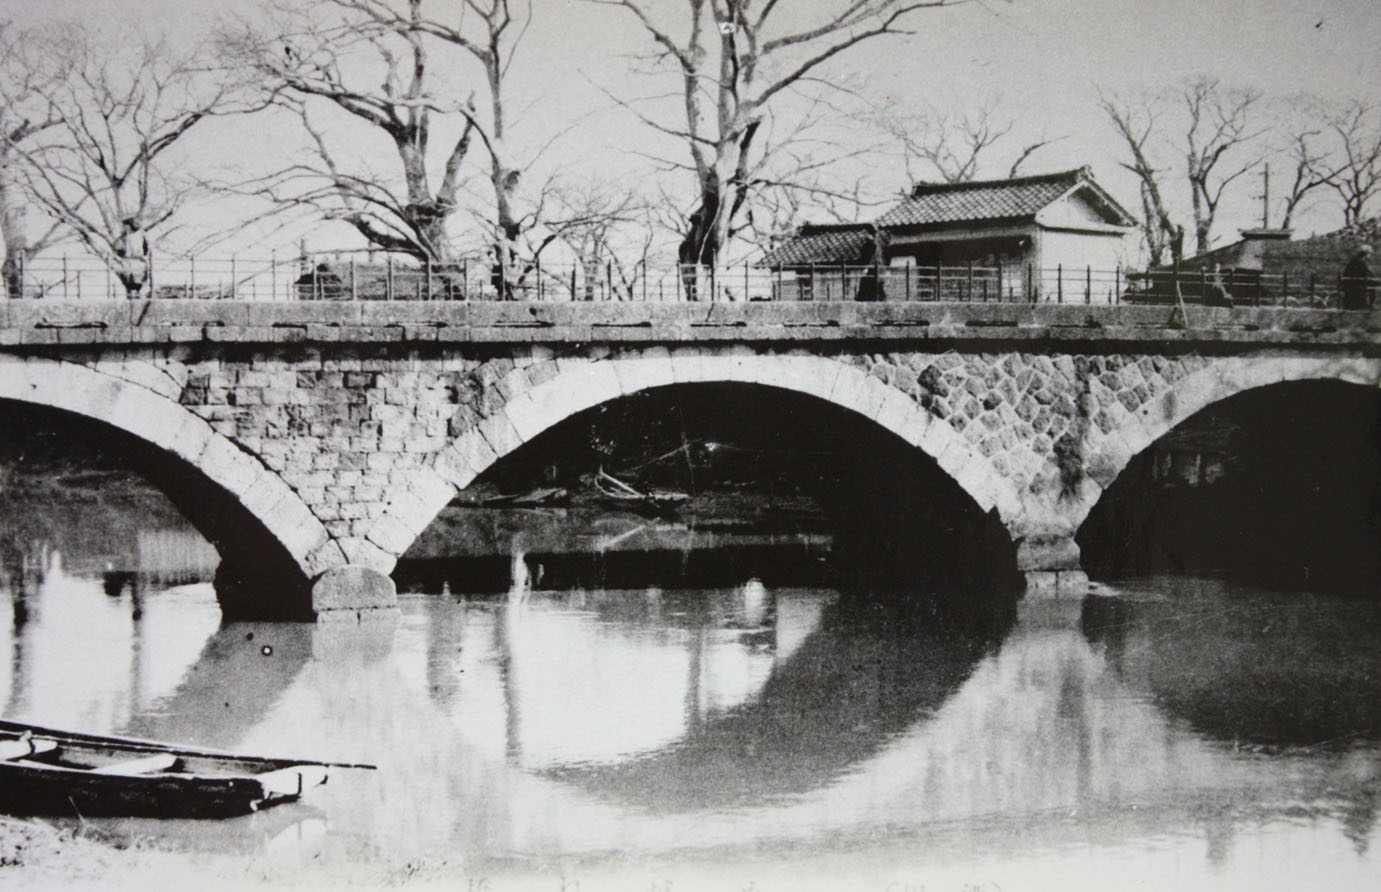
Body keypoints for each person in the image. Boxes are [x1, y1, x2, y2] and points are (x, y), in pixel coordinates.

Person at [1340, 244, 1375, 310]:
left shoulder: (1356, 260)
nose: (1370, 256)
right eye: (1369, 254)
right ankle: (1369, 306)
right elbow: (1365, 273)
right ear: (1366, 254)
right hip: (1355, 286)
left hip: (1352, 285)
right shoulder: (1360, 261)